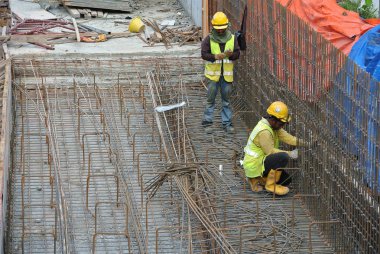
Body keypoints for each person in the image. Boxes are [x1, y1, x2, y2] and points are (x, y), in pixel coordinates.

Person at [242, 101, 308, 195]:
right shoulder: (264, 131)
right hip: (255, 165)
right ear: (273, 120)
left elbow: (289, 138)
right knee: (283, 157)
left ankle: (261, 180)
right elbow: (270, 151)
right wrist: (290, 154)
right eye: (281, 124)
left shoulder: (274, 126)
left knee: (286, 180)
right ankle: (264, 183)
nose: (282, 126)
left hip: (262, 163)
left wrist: (306, 144)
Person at [201, 11, 240, 133]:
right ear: (213, 27)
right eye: (218, 29)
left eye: (222, 29)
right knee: (210, 100)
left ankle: (227, 124)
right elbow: (204, 54)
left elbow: (237, 53)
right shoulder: (209, 39)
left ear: (226, 26)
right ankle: (207, 123)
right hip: (213, 77)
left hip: (226, 77)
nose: (220, 31)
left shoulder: (232, 39)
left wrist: (230, 55)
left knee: (226, 101)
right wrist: (215, 56)